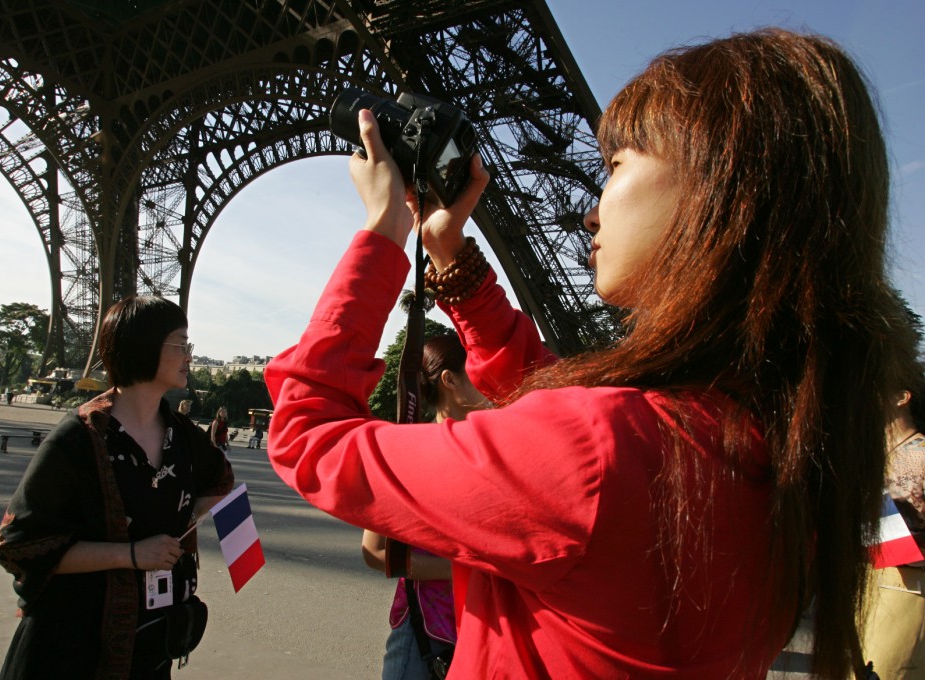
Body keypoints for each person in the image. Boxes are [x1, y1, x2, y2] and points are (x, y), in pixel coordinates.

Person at [264, 29, 913, 679]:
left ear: (723, 190)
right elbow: (579, 423)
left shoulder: (600, 455)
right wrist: (452, 257)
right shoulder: (766, 448)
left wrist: (383, 234)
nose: (590, 214)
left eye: (617, 166)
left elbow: (307, 436)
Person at [0, 295, 234, 679]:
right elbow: (21, 547)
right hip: (69, 650)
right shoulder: (77, 439)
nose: (189, 355)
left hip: (150, 645)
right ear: (143, 344)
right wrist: (133, 554)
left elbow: (221, 481)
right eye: (181, 343)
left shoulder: (185, 436)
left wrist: (181, 523)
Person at [362, 334, 490, 680]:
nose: (493, 380)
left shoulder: (499, 451)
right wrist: (468, 569)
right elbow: (374, 551)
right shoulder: (407, 452)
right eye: (479, 371)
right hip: (429, 632)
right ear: (450, 381)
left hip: (490, 628)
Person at [861, 362, 925, 678]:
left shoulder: (917, 454)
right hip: (875, 592)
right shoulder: (884, 453)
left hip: (906, 597)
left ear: (902, 396)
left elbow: (909, 542)